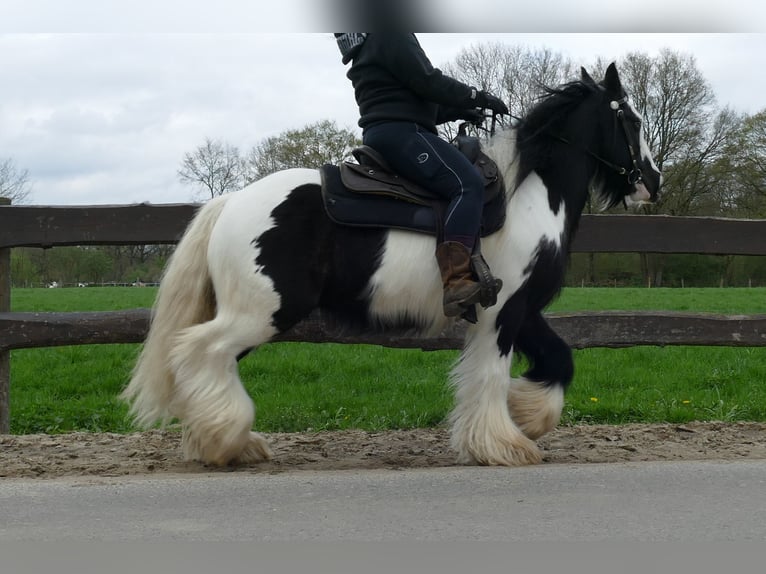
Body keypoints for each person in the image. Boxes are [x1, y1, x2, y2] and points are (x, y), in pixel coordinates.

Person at [334, 32, 509, 317]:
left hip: (389, 130)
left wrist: (465, 109)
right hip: (404, 133)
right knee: (468, 185)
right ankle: (456, 281)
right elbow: (428, 81)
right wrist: (479, 96)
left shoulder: (372, 39)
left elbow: (417, 97)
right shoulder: (389, 29)